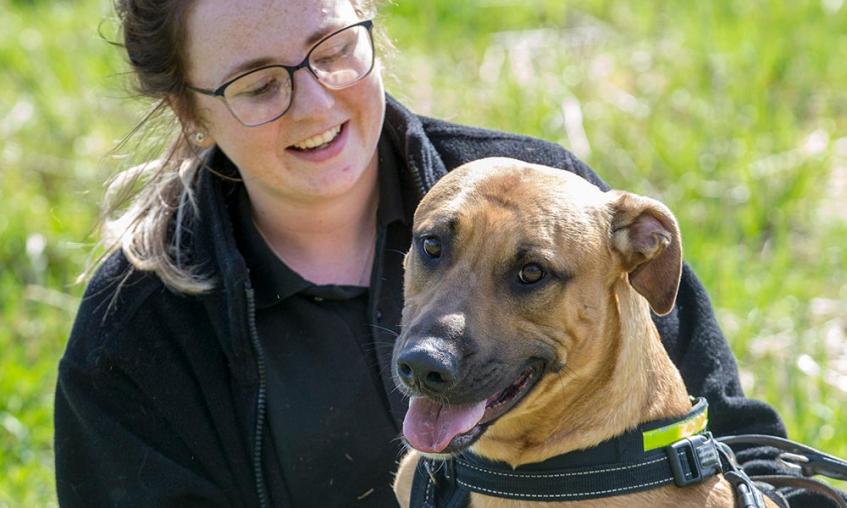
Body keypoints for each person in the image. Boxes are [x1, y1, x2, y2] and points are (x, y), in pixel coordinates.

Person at [53, 0, 835, 507]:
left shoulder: (549, 202)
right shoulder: (136, 328)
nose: (317, 103)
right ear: (188, 110)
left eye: (332, 51)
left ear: (369, 28)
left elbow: (733, 439)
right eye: (259, 84)